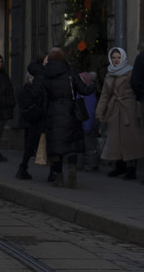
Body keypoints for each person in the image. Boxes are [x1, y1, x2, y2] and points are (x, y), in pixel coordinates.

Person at [42, 47, 95, 187]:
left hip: (53, 113)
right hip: (70, 112)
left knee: (56, 145)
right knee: (71, 144)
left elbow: (42, 95)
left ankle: (59, 177)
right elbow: (84, 89)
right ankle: (72, 167)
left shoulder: (45, 73)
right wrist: (93, 86)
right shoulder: (70, 71)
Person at [96, 47, 144, 180]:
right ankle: (119, 165)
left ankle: (131, 168)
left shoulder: (130, 72)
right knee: (115, 140)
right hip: (114, 110)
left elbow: (136, 88)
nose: (116, 60)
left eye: (118, 57)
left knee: (131, 139)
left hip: (129, 109)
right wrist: (99, 112)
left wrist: (138, 110)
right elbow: (105, 95)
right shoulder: (109, 74)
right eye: (113, 58)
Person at [15, 60, 46, 180]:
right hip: (33, 120)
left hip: (35, 119)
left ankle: (23, 167)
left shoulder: (38, 86)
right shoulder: (28, 88)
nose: (32, 79)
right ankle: (23, 167)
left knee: (32, 143)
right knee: (31, 143)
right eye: (31, 77)